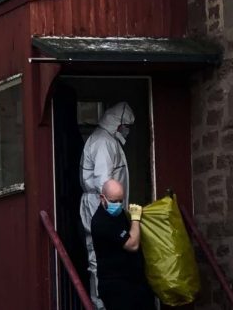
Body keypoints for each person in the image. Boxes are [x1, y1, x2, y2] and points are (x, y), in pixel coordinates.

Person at [79, 102, 134, 309]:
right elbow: (105, 182)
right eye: (125, 126)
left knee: (106, 255)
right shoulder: (103, 143)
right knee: (97, 256)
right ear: (117, 124)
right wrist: (112, 210)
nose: (126, 130)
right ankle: (99, 303)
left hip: (104, 204)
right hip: (98, 205)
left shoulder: (107, 140)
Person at [91, 179, 155, 310]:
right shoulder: (102, 222)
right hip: (117, 287)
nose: (118, 205)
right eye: (114, 201)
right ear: (102, 198)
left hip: (134, 283)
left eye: (121, 200)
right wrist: (136, 219)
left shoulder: (117, 213)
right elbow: (132, 244)